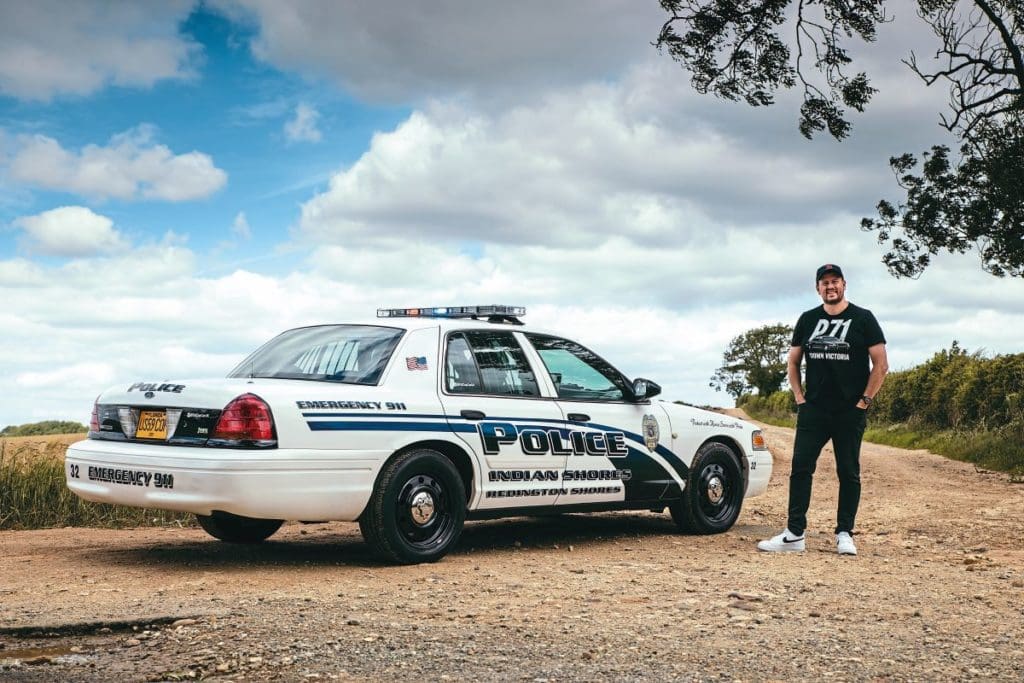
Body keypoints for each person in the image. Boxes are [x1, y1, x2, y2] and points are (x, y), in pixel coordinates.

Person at [758, 264, 888, 556]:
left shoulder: (863, 319)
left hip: (849, 411)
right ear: (818, 288)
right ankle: (794, 534)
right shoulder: (808, 319)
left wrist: (864, 402)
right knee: (801, 469)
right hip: (813, 410)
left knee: (849, 472)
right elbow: (793, 361)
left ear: (844, 284)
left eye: (835, 282)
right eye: (825, 283)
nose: (830, 287)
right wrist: (799, 397)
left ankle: (844, 534)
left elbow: (881, 364)